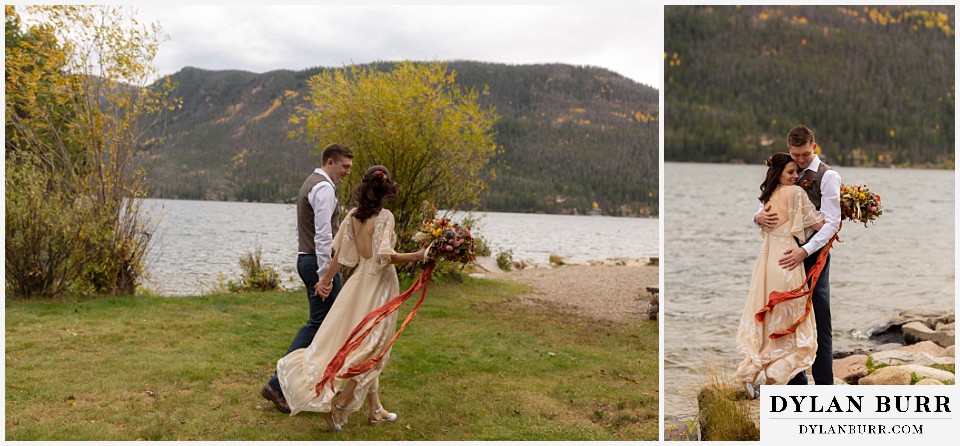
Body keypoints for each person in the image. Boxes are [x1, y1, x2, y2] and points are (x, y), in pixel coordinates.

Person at [276, 166, 427, 431]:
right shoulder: (385, 217)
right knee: (374, 347)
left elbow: (341, 257)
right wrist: (418, 255)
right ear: (386, 192)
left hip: (357, 285)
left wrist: (325, 280)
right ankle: (340, 407)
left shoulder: (353, 216)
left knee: (363, 342)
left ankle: (375, 409)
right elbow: (384, 256)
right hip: (379, 286)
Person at [260, 143, 354, 413]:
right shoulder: (323, 188)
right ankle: (277, 384)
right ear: (330, 162)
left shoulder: (313, 183)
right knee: (320, 325)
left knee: (325, 324)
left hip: (309, 259)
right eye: (344, 166)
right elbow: (323, 235)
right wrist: (325, 276)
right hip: (317, 263)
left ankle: (308, 383)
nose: (347, 172)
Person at [754, 125, 841, 386]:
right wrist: (757, 217)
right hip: (784, 260)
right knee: (786, 320)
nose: (800, 161)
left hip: (814, 259)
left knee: (819, 321)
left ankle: (825, 388)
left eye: (804, 154)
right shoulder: (785, 170)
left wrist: (805, 251)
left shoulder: (828, 176)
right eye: (796, 155)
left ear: (813, 147)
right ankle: (796, 385)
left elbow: (832, 222)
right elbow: (766, 202)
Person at [737, 152, 825, 398]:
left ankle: (751, 374)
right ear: (779, 173)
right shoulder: (796, 193)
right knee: (789, 320)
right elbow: (819, 224)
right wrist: (847, 209)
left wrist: (756, 217)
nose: (796, 176)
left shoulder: (769, 195)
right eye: (790, 172)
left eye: (796, 172)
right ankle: (776, 377)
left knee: (765, 318)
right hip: (787, 261)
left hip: (765, 262)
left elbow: (763, 221)